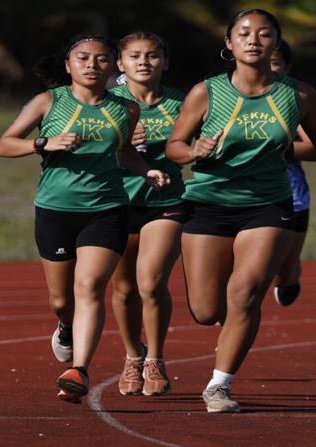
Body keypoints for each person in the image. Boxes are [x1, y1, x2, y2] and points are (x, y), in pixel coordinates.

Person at [164, 9, 316, 414]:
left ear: (276, 44)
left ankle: (219, 385)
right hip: (208, 204)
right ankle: (225, 331)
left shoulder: (299, 95)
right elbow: (174, 147)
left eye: (264, 34)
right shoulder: (207, 92)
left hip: (268, 205)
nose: (254, 40)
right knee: (205, 310)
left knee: (245, 293)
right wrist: (192, 150)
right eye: (244, 33)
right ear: (229, 44)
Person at [0, 33, 170, 403]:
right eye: (83, 58)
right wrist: (43, 143)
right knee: (62, 301)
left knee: (90, 286)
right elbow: (4, 144)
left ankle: (79, 369)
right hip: (55, 210)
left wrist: (145, 171)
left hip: (107, 209)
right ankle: (64, 326)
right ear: (68, 65)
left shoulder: (125, 109)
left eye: (102, 59)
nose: (92, 65)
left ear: (112, 67)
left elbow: (124, 151)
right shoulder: (48, 102)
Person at [106, 30, 188, 396]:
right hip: (115, 202)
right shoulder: (106, 102)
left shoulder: (183, 103)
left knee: (151, 283)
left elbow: (198, 147)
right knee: (124, 290)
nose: (144, 62)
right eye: (135, 56)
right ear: (120, 64)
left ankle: (155, 357)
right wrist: (119, 142)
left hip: (166, 202)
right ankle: (132, 356)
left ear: (165, 62)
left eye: (152, 55)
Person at [266, 39, 313, 309]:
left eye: (274, 64)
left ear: (287, 67)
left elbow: (315, 149)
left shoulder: (296, 98)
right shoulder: (225, 95)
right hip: (242, 194)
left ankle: (290, 274)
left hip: (291, 194)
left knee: (283, 274)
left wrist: (274, 147)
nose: (266, 69)